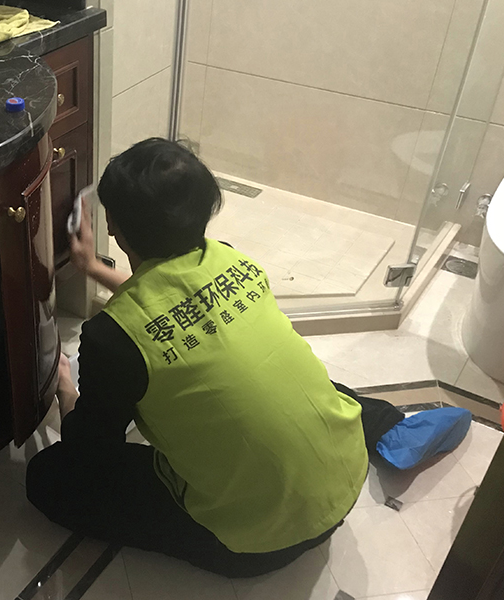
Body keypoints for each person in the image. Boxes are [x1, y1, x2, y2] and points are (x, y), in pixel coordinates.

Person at [25, 138, 470, 578]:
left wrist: (65, 388)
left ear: (115, 228)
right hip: (345, 481)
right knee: (280, 379)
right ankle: (389, 429)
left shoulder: (110, 338)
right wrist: (95, 269)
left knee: (48, 477)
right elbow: (172, 298)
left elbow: (90, 452)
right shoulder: (231, 260)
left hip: (256, 544)